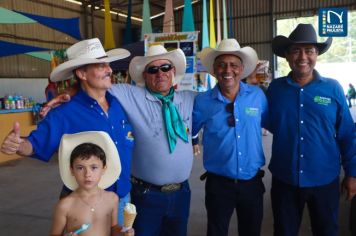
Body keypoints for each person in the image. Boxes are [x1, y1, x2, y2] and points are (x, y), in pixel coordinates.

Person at [42, 45, 196, 236]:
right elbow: (92, 85)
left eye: (165, 68)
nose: (160, 73)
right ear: (145, 75)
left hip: (182, 194)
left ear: (173, 71)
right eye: (153, 69)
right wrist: (69, 92)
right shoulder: (128, 94)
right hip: (147, 193)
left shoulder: (190, 99)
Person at [0, 38, 134, 226]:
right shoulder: (63, 114)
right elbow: (35, 144)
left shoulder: (119, 102)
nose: (109, 70)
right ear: (82, 73)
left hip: (122, 198)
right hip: (85, 204)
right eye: (100, 65)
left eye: (108, 64)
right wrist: (18, 144)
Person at [267, 23, 356, 236]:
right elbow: (263, 121)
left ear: (317, 55)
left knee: (326, 231)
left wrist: (352, 173)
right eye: (296, 50)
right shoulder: (275, 89)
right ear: (287, 56)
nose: (303, 57)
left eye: (309, 51)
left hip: (324, 180)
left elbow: (347, 134)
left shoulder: (333, 88)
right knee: (283, 232)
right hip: (285, 179)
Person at [192, 38, 268, 236]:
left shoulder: (257, 96)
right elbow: (188, 129)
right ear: (215, 69)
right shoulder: (202, 102)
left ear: (241, 69)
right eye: (222, 65)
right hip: (219, 184)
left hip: (252, 183)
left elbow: (271, 123)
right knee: (216, 231)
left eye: (233, 65)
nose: (228, 70)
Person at [50, 131, 134, 236]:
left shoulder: (112, 199)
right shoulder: (65, 205)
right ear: (72, 170)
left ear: (104, 169)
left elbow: (113, 227)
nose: (87, 174)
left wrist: (124, 231)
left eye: (94, 167)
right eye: (80, 168)